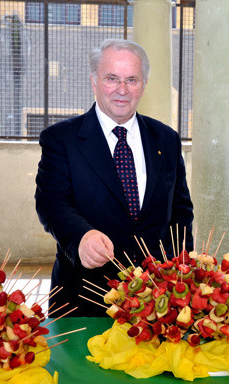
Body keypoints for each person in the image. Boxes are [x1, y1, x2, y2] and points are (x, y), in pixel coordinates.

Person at [35, 39, 194, 317]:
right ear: (94, 81)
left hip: (156, 300)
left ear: (143, 84)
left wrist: (183, 273)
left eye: (132, 80)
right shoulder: (61, 139)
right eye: (112, 78)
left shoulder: (166, 139)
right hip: (85, 298)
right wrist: (80, 236)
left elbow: (180, 213)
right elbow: (51, 203)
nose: (122, 89)